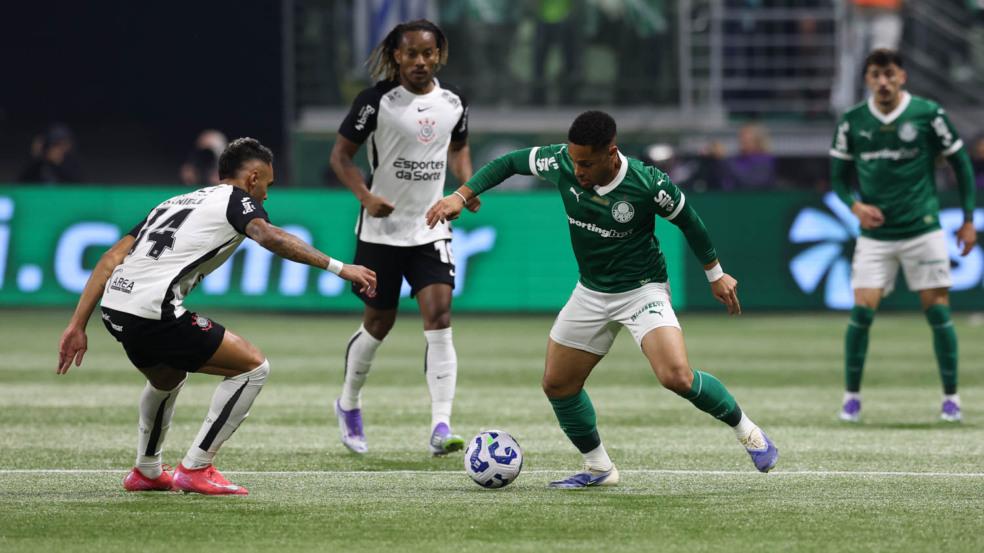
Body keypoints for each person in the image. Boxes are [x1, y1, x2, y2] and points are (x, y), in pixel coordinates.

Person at [426, 110, 779, 487]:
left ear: (611, 152)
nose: (577, 171)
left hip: (642, 288)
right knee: (557, 384)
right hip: (591, 291)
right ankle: (599, 468)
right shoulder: (562, 160)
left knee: (675, 376)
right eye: (574, 160)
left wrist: (715, 273)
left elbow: (689, 220)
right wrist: (462, 194)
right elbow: (509, 162)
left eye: (586, 163)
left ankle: (749, 432)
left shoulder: (647, 184)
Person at [57, 138, 376, 495]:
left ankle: (147, 471)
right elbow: (268, 235)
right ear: (253, 178)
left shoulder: (175, 201)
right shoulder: (237, 199)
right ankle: (196, 467)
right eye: (267, 185)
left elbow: (110, 259)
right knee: (253, 368)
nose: (266, 197)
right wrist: (339, 267)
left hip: (116, 308)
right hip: (152, 310)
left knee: (167, 377)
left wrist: (77, 324)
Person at [327, 19, 480, 457]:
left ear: (439, 55)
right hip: (380, 232)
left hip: (430, 229)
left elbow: (459, 146)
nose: (419, 61)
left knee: (440, 316)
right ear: (396, 55)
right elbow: (341, 156)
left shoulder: (453, 102)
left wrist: (465, 187)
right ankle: (349, 404)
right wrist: (366, 196)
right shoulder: (375, 102)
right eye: (411, 53)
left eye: (427, 53)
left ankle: (441, 425)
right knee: (379, 324)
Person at [829, 49, 977, 423]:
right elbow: (837, 178)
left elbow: (961, 163)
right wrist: (855, 206)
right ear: (867, 79)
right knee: (861, 312)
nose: (883, 82)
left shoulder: (928, 114)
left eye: (889, 74)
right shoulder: (852, 121)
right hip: (875, 236)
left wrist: (969, 218)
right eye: (876, 75)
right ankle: (851, 399)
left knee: (938, 312)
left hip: (921, 230)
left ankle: (951, 399)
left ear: (902, 77)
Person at [716, 124, 778, 191]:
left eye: (745, 137)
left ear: (758, 141)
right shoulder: (737, 159)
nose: (741, 140)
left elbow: (751, 184)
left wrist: (724, 158)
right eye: (740, 136)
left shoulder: (764, 160)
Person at [18, 123, 85, 184]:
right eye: (54, 144)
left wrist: (59, 165)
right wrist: (35, 159)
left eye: (61, 144)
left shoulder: (74, 164)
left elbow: (79, 187)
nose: (56, 149)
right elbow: (21, 184)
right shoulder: (39, 163)